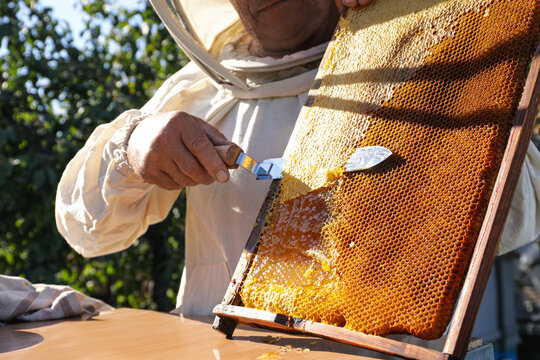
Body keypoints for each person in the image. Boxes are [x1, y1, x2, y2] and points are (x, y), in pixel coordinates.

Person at [55, 0, 540, 317]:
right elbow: (88, 232)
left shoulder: (438, 49)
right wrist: (133, 147)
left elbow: (519, 213)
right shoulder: (198, 91)